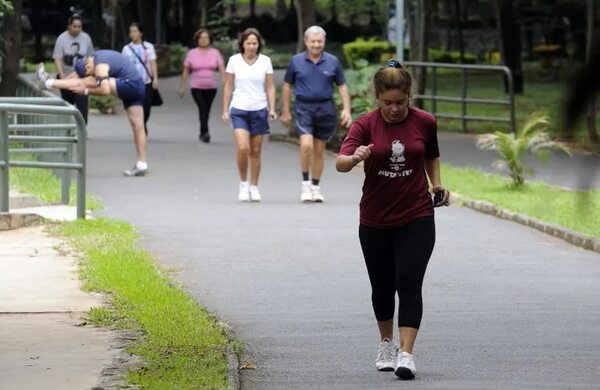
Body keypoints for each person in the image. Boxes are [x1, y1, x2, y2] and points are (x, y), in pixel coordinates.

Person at [335, 60, 450, 380]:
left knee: (409, 282)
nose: (394, 109)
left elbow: (430, 154)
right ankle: (385, 344)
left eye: (400, 103)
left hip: (417, 214)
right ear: (378, 98)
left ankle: (406, 353)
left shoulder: (425, 122)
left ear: (409, 97)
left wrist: (436, 184)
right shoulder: (365, 125)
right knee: (382, 286)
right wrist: (355, 157)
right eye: (387, 103)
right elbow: (340, 163)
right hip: (375, 219)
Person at [37, 50, 149, 177]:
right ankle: (142, 164)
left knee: (91, 81)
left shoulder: (100, 65)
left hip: (130, 84)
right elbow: (73, 79)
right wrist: (65, 84)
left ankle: (46, 82)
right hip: (138, 85)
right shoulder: (93, 59)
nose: (90, 73)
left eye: (88, 71)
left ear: (88, 63)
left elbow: (105, 90)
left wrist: (85, 91)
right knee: (138, 126)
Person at [281, 25, 352, 203]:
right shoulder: (296, 61)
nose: (316, 44)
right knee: (306, 145)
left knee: (319, 149)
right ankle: (305, 183)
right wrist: (285, 111)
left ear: (324, 42)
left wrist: (346, 109)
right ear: (306, 42)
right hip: (304, 107)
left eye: (319, 41)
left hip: (325, 108)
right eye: (312, 41)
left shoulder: (332, 61)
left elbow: (342, 86)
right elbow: (287, 85)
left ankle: (315, 186)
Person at [221, 28, 276, 202]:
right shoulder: (234, 61)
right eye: (248, 43)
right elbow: (228, 86)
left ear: (259, 44)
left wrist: (272, 108)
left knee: (256, 151)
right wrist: (224, 109)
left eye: (254, 43)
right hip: (239, 108)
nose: (251, 46)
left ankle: (254, 186)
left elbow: (270, 87)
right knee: (243, 147)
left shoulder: (265, 61)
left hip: (259, 109)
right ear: (242, 44)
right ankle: (243, 183)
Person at [178, 28, 225, 143]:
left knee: (206, 110)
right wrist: (182, 87)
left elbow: (222, 68)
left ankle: (202, 131)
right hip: (196, 86)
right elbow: (185, 71)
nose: (203, 40)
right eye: (201, 38)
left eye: (206, 38)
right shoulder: (192, 53)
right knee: (202, 107)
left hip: (211, 87)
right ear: (197, 40)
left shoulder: (215, 53)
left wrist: (225, 81)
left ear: (210, 40)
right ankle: (206, 132)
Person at [52, 14, 94, 124]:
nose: (77, 29)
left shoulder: (86, 38)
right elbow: (57, 58)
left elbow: (91, 56)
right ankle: (67, 126)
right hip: (66, 74)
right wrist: (61, 74)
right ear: (69, 26)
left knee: (82, 102)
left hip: (82, 77)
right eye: (75, 26)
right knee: (68, 103)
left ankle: (82, 127)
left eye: (79, 26)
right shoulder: (61, 38)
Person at [122, 22, 159, 136]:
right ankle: (140, 128)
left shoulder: (148, 47)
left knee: (146, 107)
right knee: (134, 106)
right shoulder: (126, 49)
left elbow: (153, 63)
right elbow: (123, 66)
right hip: (131, 82)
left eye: (135, 31)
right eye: (131, 32)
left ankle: (142, 124)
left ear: (141, 33)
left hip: (146, 81)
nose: (133, 34)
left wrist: (155, 78)